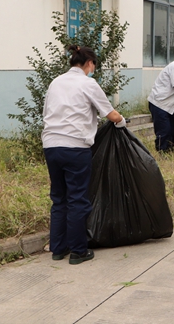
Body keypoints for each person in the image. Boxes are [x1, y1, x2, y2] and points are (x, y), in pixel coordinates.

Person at [42, 45, 126, 265]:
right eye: (93, 66)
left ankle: (58, 249)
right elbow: (111, 114)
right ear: (89, 63)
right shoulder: (88, 83)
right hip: (75, 147)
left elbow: (46, 113)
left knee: (59, 198)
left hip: (51, 146)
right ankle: (79, 251)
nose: (93, 70)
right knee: (77, 198)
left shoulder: (55, 82)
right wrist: (122, 122)